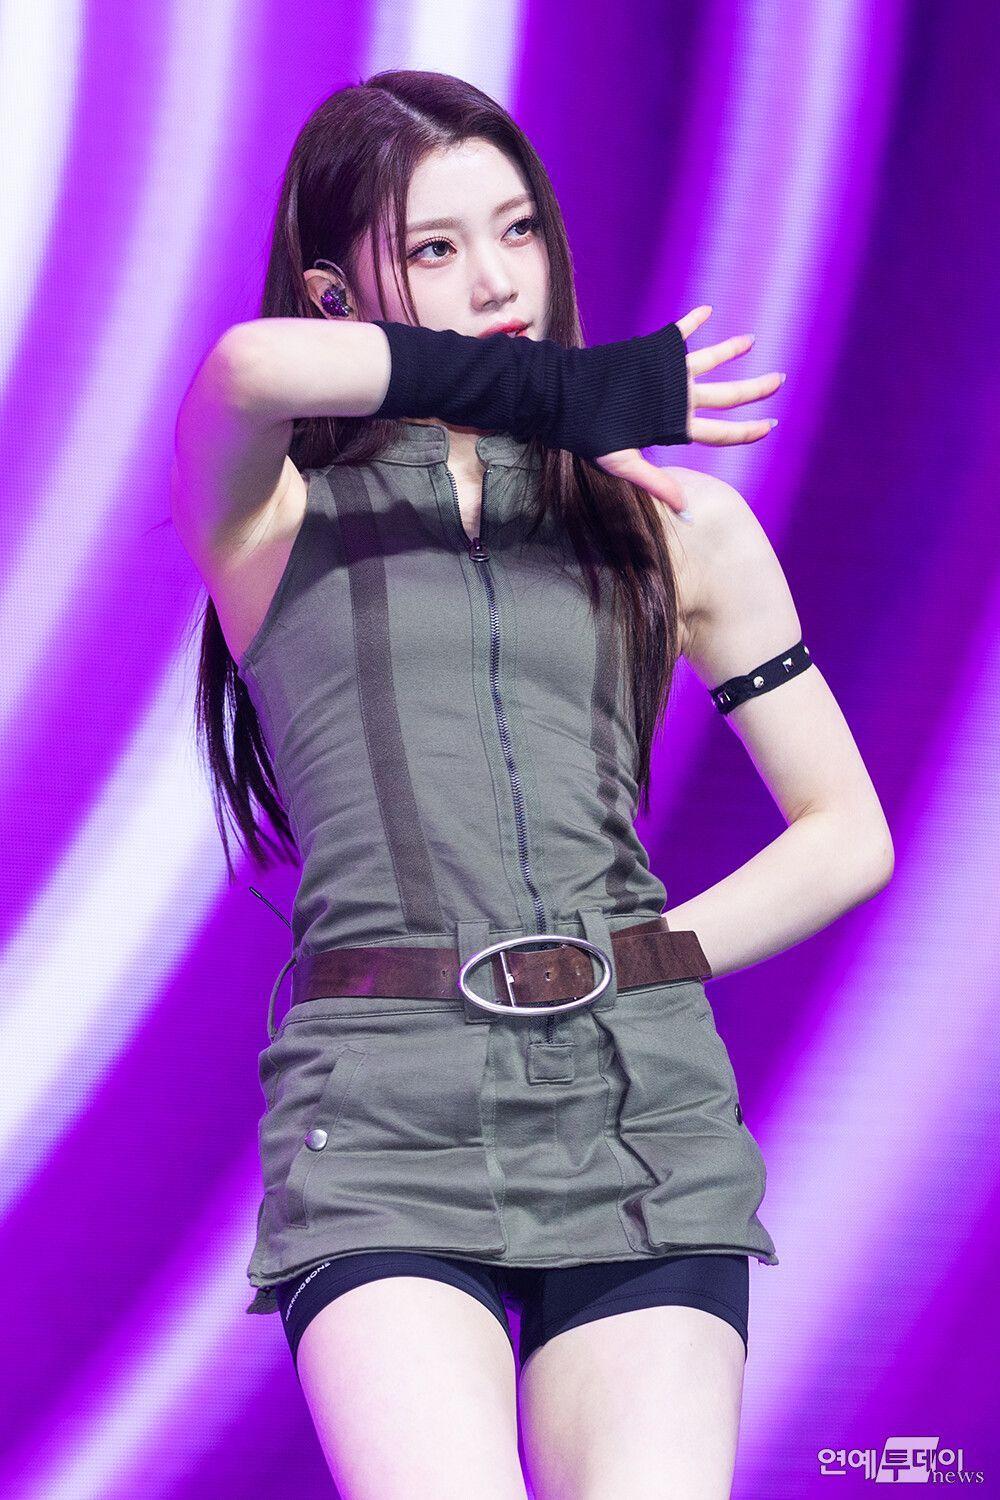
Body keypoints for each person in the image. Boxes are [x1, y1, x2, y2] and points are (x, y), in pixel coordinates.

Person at [172, 69, 893, 1500]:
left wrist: (642, 959)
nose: (499, 280)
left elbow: (847, 835)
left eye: (517, 231)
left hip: (639, 1106)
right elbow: (245, 370)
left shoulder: (678, 527)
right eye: (434, 248)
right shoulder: (273, 514)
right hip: (383, 1116)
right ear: (334, 295)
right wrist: (568, 393)